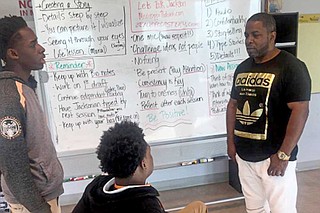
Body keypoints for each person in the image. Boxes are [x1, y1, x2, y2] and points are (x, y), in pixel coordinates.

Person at [226, 12, 311, 213]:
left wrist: (283, 154)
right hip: (245, 155)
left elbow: (301, 111)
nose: (249, 41)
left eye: (256, 35)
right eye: (246, 35)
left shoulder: (291, 67)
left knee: (282, 210)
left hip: (274, 157)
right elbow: (233, 105)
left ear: (272, 36)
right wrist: (231, 143)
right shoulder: (242, 68)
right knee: (254, 209)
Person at [0, 16, 64, 213]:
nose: (41, 48)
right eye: (33, 44)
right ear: (13, 53)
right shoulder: (9, 97)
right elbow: (13, 167)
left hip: (42, 198)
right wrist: (40, 209)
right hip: (32, 204)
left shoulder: (24, 87)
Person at [72, 121, 208, 213]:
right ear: (143, 163)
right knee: (199, 207)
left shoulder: (95, 187)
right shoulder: (147, 205)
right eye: (149, 154)